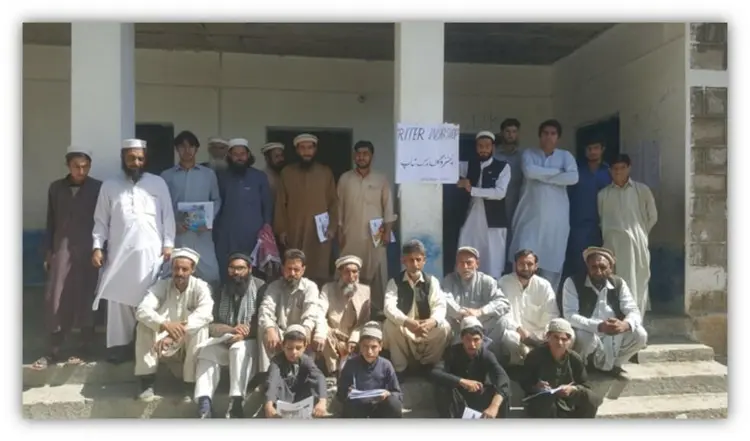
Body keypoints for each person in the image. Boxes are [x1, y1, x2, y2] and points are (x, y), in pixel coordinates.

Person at [92, 138, 176, 364]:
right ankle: (119, 347)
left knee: (148, 300)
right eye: (131, 158)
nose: (136, 162)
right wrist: (97, 247)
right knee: (118, 301)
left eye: (140, 158)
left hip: (151, 255)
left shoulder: (158, 183)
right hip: (119, 255)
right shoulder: (109, 186)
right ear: (123, 158)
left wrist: (169, 244)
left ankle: (144, 346)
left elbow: (168, 216)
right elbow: (101, 220)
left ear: (145, 159)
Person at [34, 145, 103, 369]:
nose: (81, 171)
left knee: (86, 294)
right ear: (68, 165)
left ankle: (85, 348)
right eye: (76, 167)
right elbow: (51, 221)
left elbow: (104, 222)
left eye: (85, 167)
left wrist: (101, 249)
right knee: (56, 296)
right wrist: (48, 252)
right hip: (61, 248)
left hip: (89, 249)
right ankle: (53, 351)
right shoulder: (56, 188)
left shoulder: (98, 188)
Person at [133, 248, 213, 402]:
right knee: (144, 325)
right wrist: (164, 325)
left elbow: (205, 313)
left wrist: (175, 333)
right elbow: (142, 310)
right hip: (161, 345)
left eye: (184, 269)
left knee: (201, 328)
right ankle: (146, 381)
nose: (180, 273)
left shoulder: (201, 287)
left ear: (193, 270)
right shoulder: (162, 286)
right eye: (176, 268)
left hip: (186, 344)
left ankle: (190, 384)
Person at [194, 252, 267, 418]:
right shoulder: (221, 289)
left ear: (249, 269)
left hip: (250, 344)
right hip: (225, 339)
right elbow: (211, 322)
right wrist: (231, 330)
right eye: (232, 268)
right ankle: (204, 404)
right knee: (206, 352)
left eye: (241, 268)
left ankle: (236, 402)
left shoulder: (261, 287)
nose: (236, 272)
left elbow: (263, 319)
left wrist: (244, 333)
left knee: (238, 349)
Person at [509, 119, 579, 292]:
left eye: (553, 134)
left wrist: (541, 176)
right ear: (540, 136)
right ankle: (517, 301)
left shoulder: (565, 156)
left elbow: (573, 178)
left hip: (556, 222)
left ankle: (547, 304)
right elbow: (529, 172)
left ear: (558, 137)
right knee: (522, 260)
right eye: (545, 133)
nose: (549, 137)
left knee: (552, 265)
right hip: (529, 218)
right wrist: (558, 173)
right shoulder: (529, 154)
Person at [562, 247, 648, 376]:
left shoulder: (618, 283)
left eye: (602, 267)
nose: (598, 271)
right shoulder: (573, 282)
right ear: (588, 267)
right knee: (585, 338)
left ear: (610, 268)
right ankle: (582, 367)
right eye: (594, 267)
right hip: (588, 330)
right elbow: (570, 315)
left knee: (640, 335)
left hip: (613, 331)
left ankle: (615, 366)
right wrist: (599, 326)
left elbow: (633, 310)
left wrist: (625, 324)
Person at [337, 140, 396, 319]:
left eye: (365, 154)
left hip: (376, 234)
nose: (361, 157)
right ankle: (347, 311)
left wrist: (387, 231)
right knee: (350, 270)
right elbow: (338, 207)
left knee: (377, 272)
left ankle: (377, 312)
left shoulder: (381, 179)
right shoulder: (345, 179)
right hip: (351, 233)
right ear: (354, 156)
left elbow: (388, 207)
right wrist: (339, 231)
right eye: (358, 154)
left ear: (371, 156)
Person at [274, 133, 338, 286]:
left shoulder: (325, 172)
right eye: (302, 148)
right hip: (295, 230)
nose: (306, 152)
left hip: (320, 233)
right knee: (295, 267)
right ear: (297, 150)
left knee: (319, 270)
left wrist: (332, 227)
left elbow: (334, 202)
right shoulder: (287, 173)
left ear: (315, 150)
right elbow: (280, 203)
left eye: (310, 148)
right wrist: (282, 230)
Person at [598, 154, 658, 315]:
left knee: (637, 281)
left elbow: (652, 216)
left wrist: (639, 234)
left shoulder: (641, 190)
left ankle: (636, 321)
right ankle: (617, 321)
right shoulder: (603, 194)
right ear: (610, 171)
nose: (619, 172)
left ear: (629, 168)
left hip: (636, 244)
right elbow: (601, 218)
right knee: (613, 282)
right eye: (615, 168)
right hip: (611, 245)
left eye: (622, 168)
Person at [161, 130, 222, 288]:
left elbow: (216, 200)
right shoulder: (166, 176)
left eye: (191, 147)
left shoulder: (208, 174)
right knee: (174, 274)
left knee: (210, 275)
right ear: (177, 149)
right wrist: (173, 225)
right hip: (177, 234)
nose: (187, 151)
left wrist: (208, 220)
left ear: (196, 149)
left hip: (201, 234)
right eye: (182, 147)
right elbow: (161, 205)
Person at [382, 239, 451, 378]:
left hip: (425, 328)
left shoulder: (432, 281)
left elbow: (439, 305)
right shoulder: (394, 282)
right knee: (390, 325)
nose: (415, 264)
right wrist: (407, 322)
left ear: (424, 260)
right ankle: (400, 369)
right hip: (406, 327)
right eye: (410, 260)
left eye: (418, 260)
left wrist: (431, 322)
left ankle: (428, 366)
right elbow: (389, 307)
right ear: (403, 261)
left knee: (444, 327)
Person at [257, 248, 326, 372]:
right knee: (264, 328)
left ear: (303, 270)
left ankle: (304, 373)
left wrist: (305, 331)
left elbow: (311, 312)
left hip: (302, 332)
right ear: (283, 269)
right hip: (280, 333)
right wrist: (270, 329)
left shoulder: (310, 287)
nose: (292, 273)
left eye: (296, 270)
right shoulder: (274, 286)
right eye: (289, 269)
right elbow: (266, 308)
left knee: (315, 326)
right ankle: (268, 374)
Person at [214, 138, 273, 282]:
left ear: (248, 155)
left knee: (255, 274)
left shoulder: (259, 177)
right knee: (229, 271)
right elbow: (216, 204)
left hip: (255, 235)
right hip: (228, 235)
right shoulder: (221, 177)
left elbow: (267, 204)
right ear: (229, 156)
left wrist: (267, 226)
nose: (239, 157)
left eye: (242, 154)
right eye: (235, 154)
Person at [519, 318, 602, 418]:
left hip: (567, 400)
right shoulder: (535, 356)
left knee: (591, 398)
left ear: (569, 341)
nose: (560, 342)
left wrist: (573, 389)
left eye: (564, 339)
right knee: (547, 401)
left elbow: (584, 384)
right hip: (543, 401)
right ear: (548, 337)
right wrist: (537, 386)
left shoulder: (574, 359)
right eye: (556, 337)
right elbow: (525, 381)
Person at [430, 316, 511, 419]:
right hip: (457, 397)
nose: (472, 344)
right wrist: (462, 381)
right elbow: (435, 372)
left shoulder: (486, 355)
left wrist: (494, 406)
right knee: (442, 388)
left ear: (482, 340)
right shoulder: (452, 352)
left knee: (502, 394)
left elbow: (502, 377)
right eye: (468, 339)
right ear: (462, 339)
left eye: (476, 340)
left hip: (477, 396)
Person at [457, 131, 511, 280]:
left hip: (493, 220)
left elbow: (499, 193)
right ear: (476, 148)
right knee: (467, 251)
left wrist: (472, 189)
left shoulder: (503, 167)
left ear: (493, 148)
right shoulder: (468, 165)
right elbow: (448, 167)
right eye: (480, 146)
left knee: (493, 259)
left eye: (487, 146)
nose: (484, 150)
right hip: (472, 217)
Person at [498, 249, 560, 365]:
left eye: (530, 264)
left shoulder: (544, 285)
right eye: (521, 264)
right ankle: (518, 367)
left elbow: (552, 314)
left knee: (566, 335)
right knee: (509, 338)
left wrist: (541, 335)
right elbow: (501, 314)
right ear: (515, 265)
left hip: (540, 336)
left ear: (536, 266)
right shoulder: (504, 283)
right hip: (516, 333)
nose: (525, 268)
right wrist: (517, 328)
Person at [441, 247, 511, 347]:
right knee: (442, 321)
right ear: (456, 265)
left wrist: (480, 311)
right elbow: (444, 299)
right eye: (461, 263)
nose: (465, 267)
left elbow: (503, 303)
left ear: (477, 264)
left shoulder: (487, 281)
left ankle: (485, 350)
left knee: (502, 321)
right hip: (459, 325)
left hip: (482, 327)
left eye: (469, 263)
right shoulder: (449, 280)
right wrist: (460, 312)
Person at [565, 138, 611, 280]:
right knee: (578, 266)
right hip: (578, 227)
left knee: (601, 266)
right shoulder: (576, 171)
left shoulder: (609, 172)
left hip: (603, 227)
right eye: (589, 149)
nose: (592, 152)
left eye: (596, 148)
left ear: (602, 149)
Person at [318, 255, 372, 375]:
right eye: (347, 272)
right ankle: (333, 371)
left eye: (354, 272)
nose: (351, 276)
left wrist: (353, 339)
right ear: (340, 273)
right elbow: (320, 313)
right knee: (321, 330)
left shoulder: (365, 290)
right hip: (333, 335)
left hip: (354, 337)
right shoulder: (328, 289)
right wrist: (323, 332)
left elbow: (364, 322)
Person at [336, 322, 403, 418]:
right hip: (359, 407)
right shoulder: (351, 364)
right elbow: (340, 394)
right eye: (365, 346)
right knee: (349, 406)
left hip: (379, 407)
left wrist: (388, 394)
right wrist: (348, 392)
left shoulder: (386, 365)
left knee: (394, 403)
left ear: (380, 346)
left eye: (373, 347)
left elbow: (397, 393)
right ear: (360, 346)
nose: (369, 351)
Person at [263, 324, 329, 419]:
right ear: (283, 346)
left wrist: (322, 402)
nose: (293, 352)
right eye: (289, 348)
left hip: (302, 400)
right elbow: (272, 381)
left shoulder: (306, 360)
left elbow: (319, 376)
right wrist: (269, 404)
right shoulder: (276, 361)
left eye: (298, 348)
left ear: (305, 347)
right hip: (283, 401)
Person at [494, 118, 524, 274]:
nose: (511, 135)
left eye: (514, 131)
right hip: (496, 203)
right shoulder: (494, 155)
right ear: (502, 133)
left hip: (518, 203)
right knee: (498, 239)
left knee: (515, 238)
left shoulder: (523, 156)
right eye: (507, 131)